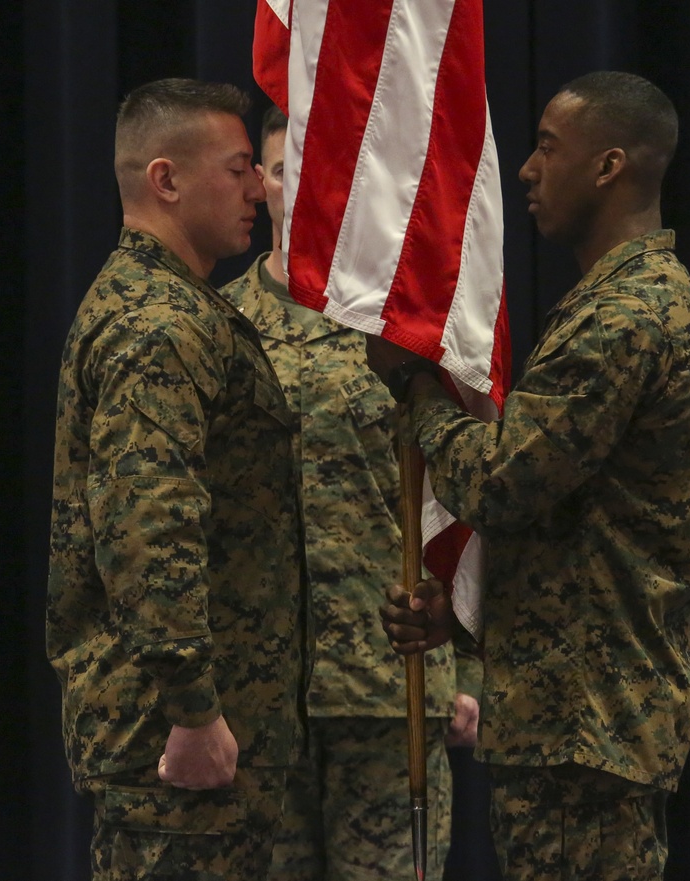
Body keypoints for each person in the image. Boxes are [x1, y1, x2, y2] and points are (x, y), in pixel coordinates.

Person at [371, 71, 690, 881]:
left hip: (588, 720)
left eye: (546, 147)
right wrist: (469, 613)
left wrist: (418, 389)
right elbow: (583, 525)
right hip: (584, 709)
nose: (527, 171)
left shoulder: (625, 315)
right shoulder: (630, 300)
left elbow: (501, 482)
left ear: (608, 166)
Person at [46, 78, 312, 880]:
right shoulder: (157, 322)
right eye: (237, 169)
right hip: (173, 740)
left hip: (208, 729)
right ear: (165, 179)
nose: (259, 188)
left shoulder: (176, 306)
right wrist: (192, 705)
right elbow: (148, 523)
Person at [222, 104, 480, 881]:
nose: (299, 186)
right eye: (281, 169)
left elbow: (466, 492)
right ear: (259, 183)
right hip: (259, 696)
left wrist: (470, 667)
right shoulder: (220, 324)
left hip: (386, 687)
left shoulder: (403, 323)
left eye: (315, 168)